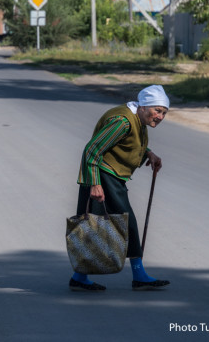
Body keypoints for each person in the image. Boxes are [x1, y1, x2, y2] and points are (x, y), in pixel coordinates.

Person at [69, 84, 171, 292]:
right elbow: (92, 150)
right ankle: (139, 275)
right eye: (157, 110)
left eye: (164, 113)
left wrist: (149, 153)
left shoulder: (138, 119)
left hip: (109, 177)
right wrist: (95, 184)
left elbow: (128, 142)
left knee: (94, 226)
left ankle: (79, 277)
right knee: (123, 223)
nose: (160, 117)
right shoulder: (122, 122)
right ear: (143, 106)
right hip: (103, 177)